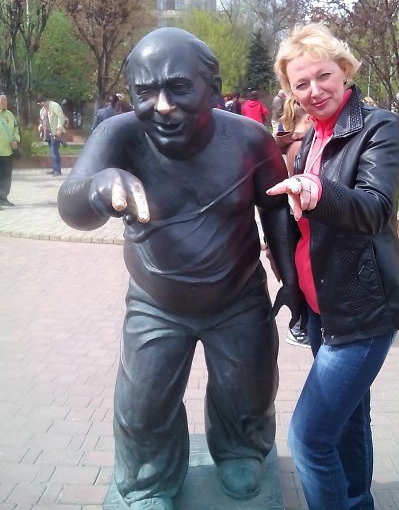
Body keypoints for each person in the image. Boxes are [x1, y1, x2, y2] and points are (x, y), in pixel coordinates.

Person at [57, 27, 303, 510]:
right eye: (145, 92)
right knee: (143, 402)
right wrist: (98, 188)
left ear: (212, 87)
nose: (163, 106)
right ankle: (148, 479)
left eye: (179, 87)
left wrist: (290, 277)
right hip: (156, 304)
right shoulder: (119, 136)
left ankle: (240, 451)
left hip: (238, 298)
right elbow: (72, 203)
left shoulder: (250, 141)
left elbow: (276, 206)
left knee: (249, 388)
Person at [266, 22, 399, 510]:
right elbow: (306, 219)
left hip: (361, 310)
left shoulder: (378, 127)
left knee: (308, 439)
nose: (314, 90)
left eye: (323, 76)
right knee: (349, 423)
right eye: (301, 83)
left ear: (344, 70)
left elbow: (374, 209)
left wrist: (316, 191)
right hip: (321, 307)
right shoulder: (311, 138)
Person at [274, 96, 312, 347]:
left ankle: (300, 324)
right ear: (308, 118)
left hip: (290, 217)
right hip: (297, 217)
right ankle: (299, 326)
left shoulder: (287, 143)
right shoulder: (300, 146)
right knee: (303, 274)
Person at [37, 94, 66, 176]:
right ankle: (55, 169)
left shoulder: (54, 105)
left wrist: (59, 128)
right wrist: (40, 126)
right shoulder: (42, 110)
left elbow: (60, 117)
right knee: (52, 151)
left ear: (44, 101)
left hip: (55, 132)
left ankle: (57, 170)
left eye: (41, 103)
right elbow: (42, 120)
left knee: (54, 151)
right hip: (47, 133)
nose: (41, 105)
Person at [0, 93, 20, 208]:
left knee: (7, 177)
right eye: (2, 100)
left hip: (8, 152)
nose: (4, 102)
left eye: (5, 100)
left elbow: (16, 129)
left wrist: (16, 140)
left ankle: (4, 198)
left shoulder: (10, 115)